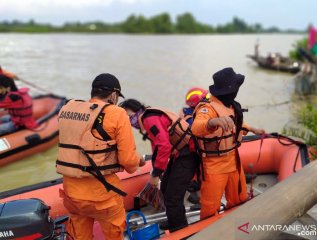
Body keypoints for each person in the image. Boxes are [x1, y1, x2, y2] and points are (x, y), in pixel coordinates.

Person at [56, 73, 145, 240]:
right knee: (114, 232)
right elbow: (129, 163)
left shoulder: (68, 109)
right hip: (103, 197)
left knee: (79, 235)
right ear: (113, 95)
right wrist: (136, 161)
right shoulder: (117, 114)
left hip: (72, 194)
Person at [191, 67, 265, 219]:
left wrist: (252, 129)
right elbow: (196, 128)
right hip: (214, 166)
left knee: (239, 199)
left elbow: (236, 126)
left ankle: (237, 227)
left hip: (234, 161)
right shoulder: (207, 108)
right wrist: (213, 122)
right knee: (210, 208)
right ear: (231, 90)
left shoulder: (231, 105)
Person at [120, 99, 198, 232]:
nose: (129, 120)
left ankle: (180, 229)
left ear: (137, 110)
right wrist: (157, 169)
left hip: (187, 155)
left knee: (173, 197)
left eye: (128, 115)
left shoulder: (149, 120)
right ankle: (173, 218)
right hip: (178, 154)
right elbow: (157, 146)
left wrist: (156, 174)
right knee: (166, 187)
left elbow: (163, 146)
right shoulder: (148, 117)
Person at [179, 87, 209, 204]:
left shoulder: (187, 113)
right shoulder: (192, 119)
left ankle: (195, 186)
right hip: (194, 151)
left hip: (192, 150)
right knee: (198, 171)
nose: (208, 101)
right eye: (206, 99)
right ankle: (194, 189)